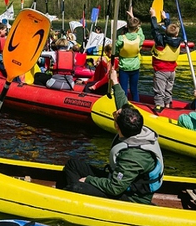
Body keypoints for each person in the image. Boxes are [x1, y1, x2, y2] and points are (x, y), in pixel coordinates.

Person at [61, 69, 164, 205]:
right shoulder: (134, 127)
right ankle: (72, 196)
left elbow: (115, 188)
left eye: (116, 115)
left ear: (117, 126)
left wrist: (88, 180)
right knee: (72, 165)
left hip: (131, 197)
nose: (116, 111)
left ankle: (72, 201)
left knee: (76, 187)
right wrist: (114, 81)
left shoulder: (133, 157)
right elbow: (123, 104)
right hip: (118, 179)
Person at [149, 7, 181, 113]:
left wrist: (153, 16)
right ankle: (168, 103)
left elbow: (155, 29)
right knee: (168, 89)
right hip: (172, 71)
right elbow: (170, 30)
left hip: (161, 71)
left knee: (159, 90)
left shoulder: (161, 42)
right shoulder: (177, 41)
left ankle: (159, 106)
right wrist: (165, 18)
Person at [115, 11, 144, 102]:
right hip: (135, 67)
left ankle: (124, 105)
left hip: (124, 67)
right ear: (137, 27)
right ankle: (137, 103)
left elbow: (116, 49)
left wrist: (117, 53)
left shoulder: (121, 38)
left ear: (127, 26)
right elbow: (140, 31)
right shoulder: (140, 38)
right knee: (134, 89)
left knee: (123, 89)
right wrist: (133, 17)